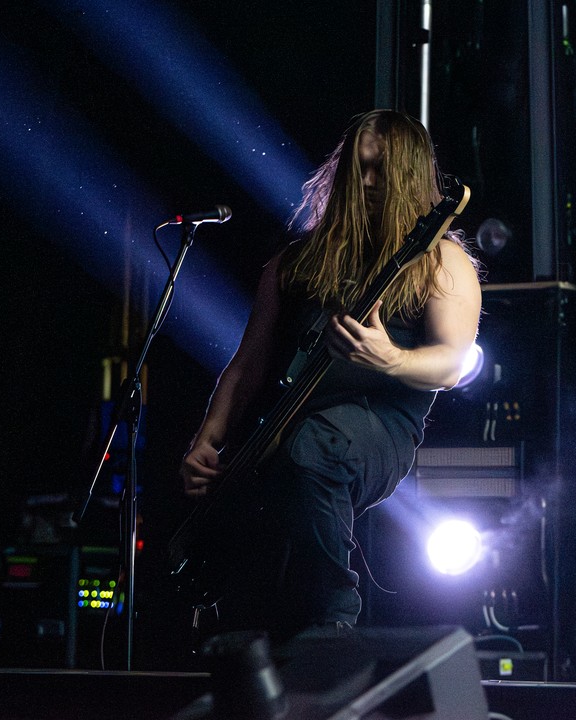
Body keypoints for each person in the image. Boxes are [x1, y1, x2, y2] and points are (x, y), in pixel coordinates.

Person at [179, 109, 482, 640]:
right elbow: (247, 365)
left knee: (314, 445)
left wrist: (391, 359)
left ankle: (333, 621)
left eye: (380, 170)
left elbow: (453, 363)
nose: (367, 181)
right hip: (278, 429)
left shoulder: (440, 262)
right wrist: (207, 440)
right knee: (259, 554)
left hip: (377, 427)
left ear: (409, 176)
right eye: (358, 168)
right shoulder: (296, 261)